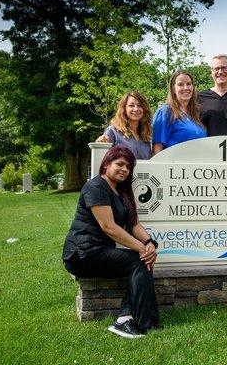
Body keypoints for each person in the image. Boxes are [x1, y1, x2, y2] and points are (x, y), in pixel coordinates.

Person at [62, 145, 160, 338]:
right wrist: (141, 248)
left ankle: (135, 320)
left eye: (128, 167)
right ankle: (133, 320)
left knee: (143, 260)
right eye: (120, 164)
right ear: (107, 164)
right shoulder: (96, 187)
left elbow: (133, 224)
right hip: (82, 253)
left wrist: (150, 243)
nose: (124, 169)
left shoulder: (122, 192)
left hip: (99, 251)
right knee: (138, 259)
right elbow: (108, 227)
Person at [152, 70, 206, 154]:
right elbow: (157, 148)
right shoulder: (165, 112)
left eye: (189, 84)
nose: (186, 88)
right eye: (180, 84)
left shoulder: (194, 115)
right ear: (173, 89)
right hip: (173, 165)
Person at [96, 91, 152, 160]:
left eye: (140, 105)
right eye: (131, 106)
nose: (136, 109)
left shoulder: (147, 136)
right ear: (124, 109)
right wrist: (99, 146)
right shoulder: (113, 132)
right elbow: (103, 160)